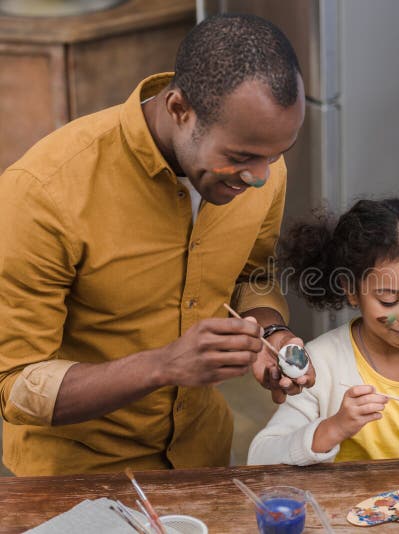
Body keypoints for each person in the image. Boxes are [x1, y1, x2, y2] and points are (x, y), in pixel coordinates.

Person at [0, 14, 314, 475]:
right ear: (179, 109)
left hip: (202, 458)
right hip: (77, 477)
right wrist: (164, 366)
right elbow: (15, 382)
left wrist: (270, 334)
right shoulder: (43, 192)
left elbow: (253, 274)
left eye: (276, 154)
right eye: (240, 158)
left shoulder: (263, 168)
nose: (260, 176)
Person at [248, 198, 399, 465]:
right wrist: (333, 428)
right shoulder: (319, 365)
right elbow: (260, 457)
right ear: (351, 291)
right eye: (389, 300)